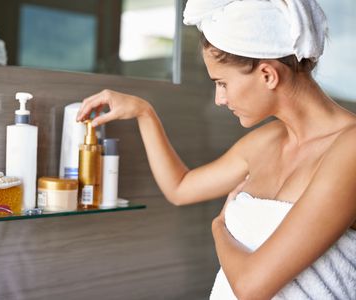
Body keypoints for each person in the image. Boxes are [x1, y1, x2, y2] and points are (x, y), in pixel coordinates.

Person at [77, 0, 356, 298]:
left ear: (267, 75)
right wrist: (144, 112)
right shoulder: (265, 142)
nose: (219, 99)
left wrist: (219, 228)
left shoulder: (349, 148)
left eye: (222, 83)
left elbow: (251, 287)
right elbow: (180, 188)